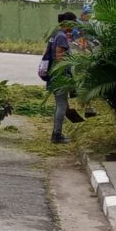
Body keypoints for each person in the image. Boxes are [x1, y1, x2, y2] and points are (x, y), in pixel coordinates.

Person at [49, 12, 78, 144]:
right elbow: (59, 57)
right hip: (60, 75)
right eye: (73, 23)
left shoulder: (57, 34)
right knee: (61, 105)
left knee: (62, 104)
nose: (74, 26)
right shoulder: (61, 36)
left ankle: (57, 133)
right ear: (67, 22)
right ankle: (56, 135)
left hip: (58, 74)